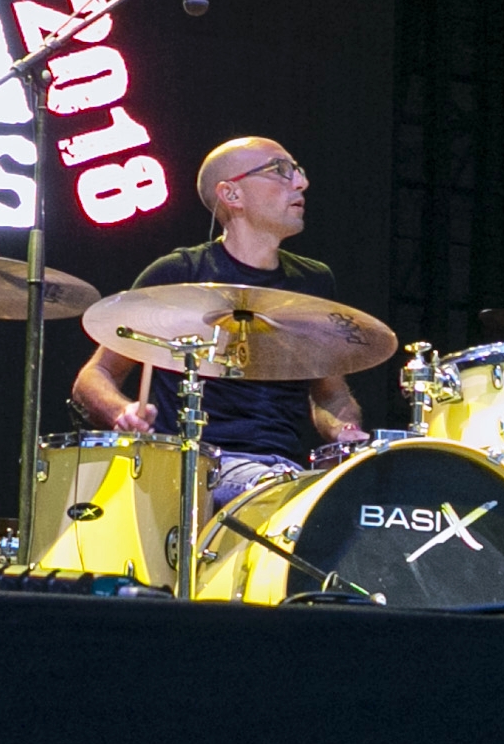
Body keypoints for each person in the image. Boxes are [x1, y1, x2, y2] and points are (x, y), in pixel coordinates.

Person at [71, 137, 372, 514]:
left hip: (285, 469)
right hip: (199, 467)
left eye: (298, 170)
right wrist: (122, 412)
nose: (300, 182)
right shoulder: (180, 274)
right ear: (232, 194)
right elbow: (95, 374)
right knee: (274, 497)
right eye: (280, 171)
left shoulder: (312, 283)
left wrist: (345, 432)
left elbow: (330, 395)